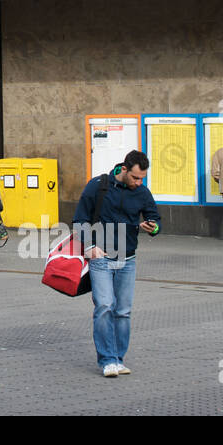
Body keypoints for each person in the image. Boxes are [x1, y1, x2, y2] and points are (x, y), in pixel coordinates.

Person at [72, 150, 160, 378]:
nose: (139, 182)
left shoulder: (141, 192)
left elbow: (155, 217)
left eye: (142, 178)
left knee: (123, 311)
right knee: (104, 307)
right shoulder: (98, 186)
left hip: (127, 259)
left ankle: (119, 359)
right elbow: (80, 219)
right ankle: (107, 360)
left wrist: (153, 226)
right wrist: (90, 246)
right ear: (124, 170)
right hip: (100, 257)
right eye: (135, 177)